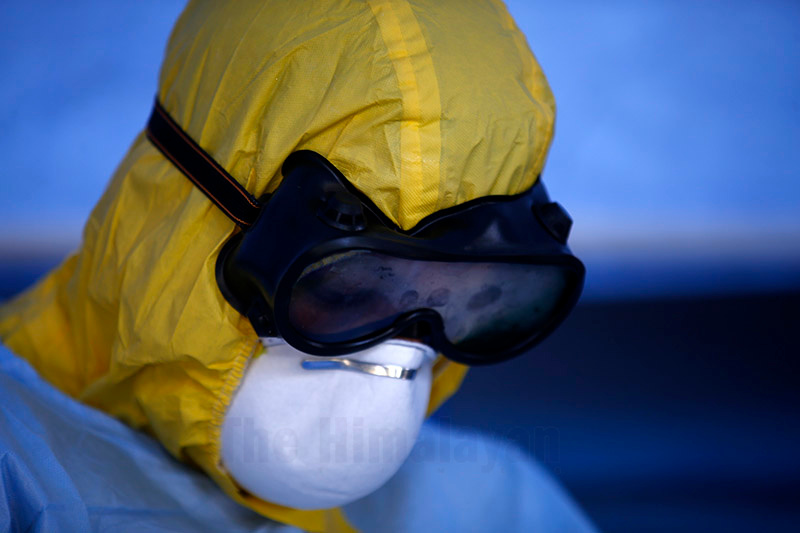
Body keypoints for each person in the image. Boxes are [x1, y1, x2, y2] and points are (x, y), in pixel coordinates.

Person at [0, 1, 595, 531]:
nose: (398, 363)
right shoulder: (16, 469)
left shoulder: (492, 506)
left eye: (471, 300)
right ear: (189, 221)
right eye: (347, 289)